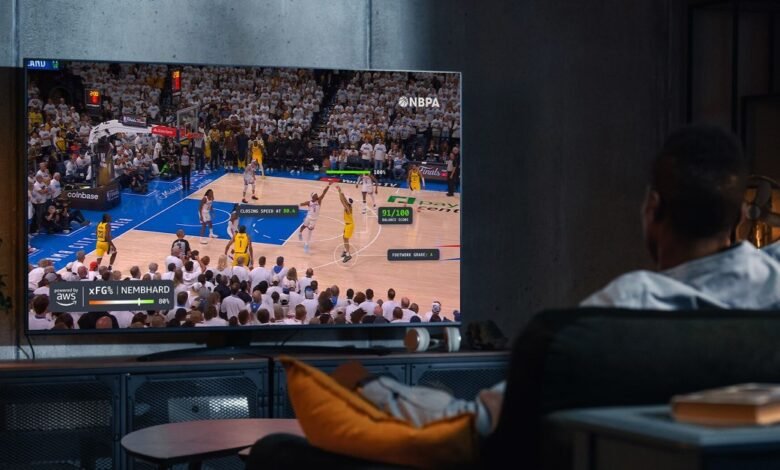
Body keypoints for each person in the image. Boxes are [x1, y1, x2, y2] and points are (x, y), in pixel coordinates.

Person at [297, 183, 332, 254]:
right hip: (308, 217)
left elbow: (324, 192)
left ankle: (306, 245)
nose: (317, 196)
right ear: (313, 197)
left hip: (314, 220)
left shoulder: (319, 201)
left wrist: (328, 185)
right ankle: (300, 233)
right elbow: (302, 204)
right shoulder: (309, 202)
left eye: (316, 195)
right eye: (315, 195)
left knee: (309, 231)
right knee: (304, 226)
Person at [336, 185, 355, 262]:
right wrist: (341, 192)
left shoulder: (348, 208)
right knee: (344, 237)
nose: (346, 201)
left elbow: (342, 201)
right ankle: (345, 250)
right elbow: (344, 199)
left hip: (349, 225)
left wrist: (340, 192)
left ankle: (348, 255)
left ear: (348, 202)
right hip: (348, 224)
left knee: (346, 239)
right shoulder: (349, 205)